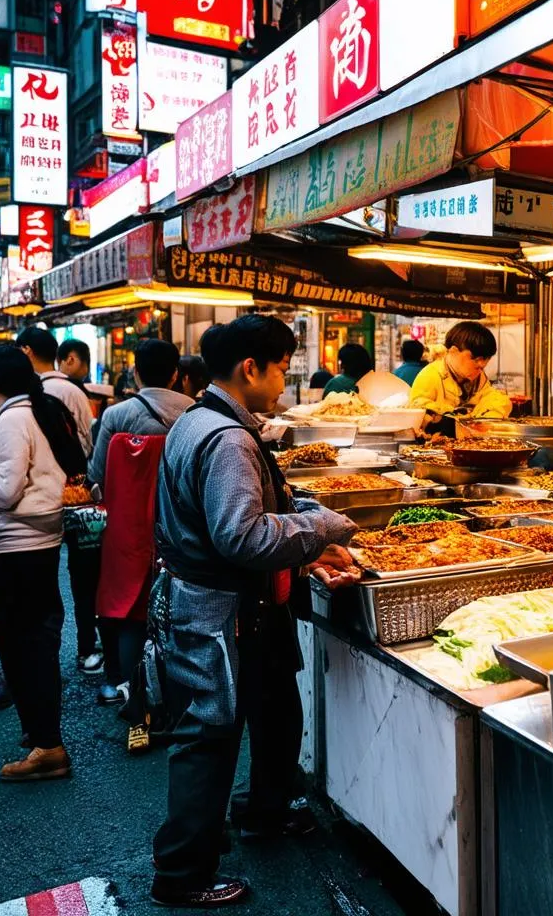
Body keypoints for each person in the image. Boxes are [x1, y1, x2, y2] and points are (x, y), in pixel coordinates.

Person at [151, 315, 361, 908]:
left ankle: (264, 813)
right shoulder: (226, 439)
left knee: (275, 710)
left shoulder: (200, 419)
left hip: (246, 606)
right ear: (251, 368)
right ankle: (181, 872)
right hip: (221, 611)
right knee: (209, 736)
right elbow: (241, 535)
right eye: (282, 368)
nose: (285, 380)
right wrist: (321, 526)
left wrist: (306, 547)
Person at [0, 346, 78, 781]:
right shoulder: (35, 410)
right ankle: (41, 734)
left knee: (23, 645)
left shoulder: (14, 418)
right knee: (35, 639)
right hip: (41, 539)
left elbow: (9, 487)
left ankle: (48, 746)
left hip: (19, 545)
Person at [90, 340, 193, 721]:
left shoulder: (117, 416)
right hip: (182, 529)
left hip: (130, 533)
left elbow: (96, 476)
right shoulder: (195, 414)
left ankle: (135, 694)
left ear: (135, 373)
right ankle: (179, 695)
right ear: (176, 375)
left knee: (134, 612)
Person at [17, 326, 101, 675]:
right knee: (82, 577)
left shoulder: (26, 396)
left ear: (25, 352)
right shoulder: (73, 392)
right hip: (78, 497)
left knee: (42, 580)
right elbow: (87, 446)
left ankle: (39, 658)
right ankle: (86, 648)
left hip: (38, 501)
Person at [409, 321, 512, 430]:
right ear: (453, 351)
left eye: (486, 360)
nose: (482, 365)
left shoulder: (479, 378)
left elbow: (495, 400)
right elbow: (418, 409)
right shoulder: (430, 375)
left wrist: (482, 421)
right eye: (476, 359)